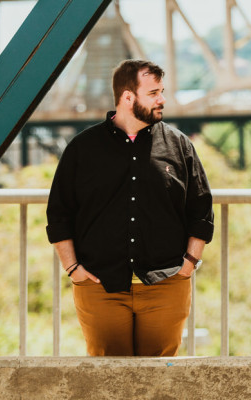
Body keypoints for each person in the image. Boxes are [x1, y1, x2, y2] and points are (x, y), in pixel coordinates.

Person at [46, 59, 214, 356]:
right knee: (106, 380)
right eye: (153, 93)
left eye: (162, 91)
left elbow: (201, 210)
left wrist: (189, 263)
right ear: (127, 97)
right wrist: (73, 268)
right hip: (100, 287)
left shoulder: (179, 145)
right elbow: (59, 213)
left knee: (159, 379)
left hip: (166, 283)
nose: (162, 99)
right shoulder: (82, 149)